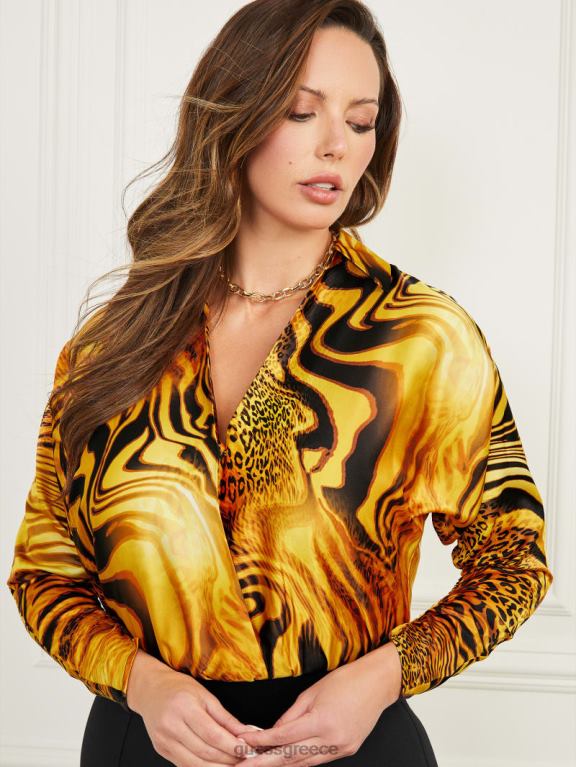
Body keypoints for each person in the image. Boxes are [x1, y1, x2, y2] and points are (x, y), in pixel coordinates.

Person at [6, 1, 553, 766]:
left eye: (361, 122)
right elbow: (45, 572)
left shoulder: (420, 336)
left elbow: (513, 561)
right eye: (302, 111)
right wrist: (141, 682)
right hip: (146, 741)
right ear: (235, 111)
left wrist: (384, 677)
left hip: (352, 747)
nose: (336, 145)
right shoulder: (113, 342)